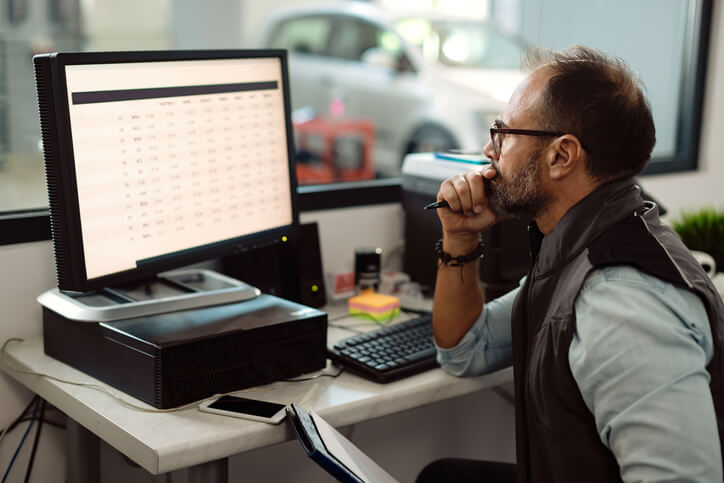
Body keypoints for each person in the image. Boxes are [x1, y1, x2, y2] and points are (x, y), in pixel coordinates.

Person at [417, 45, 724, 482]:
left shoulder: (620, 303)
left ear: (562, 156)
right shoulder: (579, 246)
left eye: (503, 133)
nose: (489, 149)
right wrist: (461, 237)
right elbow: (466, 349)